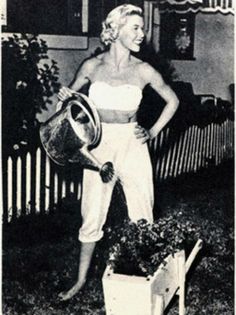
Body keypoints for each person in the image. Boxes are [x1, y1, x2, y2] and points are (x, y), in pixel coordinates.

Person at [57, 4, 179, 301]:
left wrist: (151, 132)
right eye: (135, 28)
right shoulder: (92, 66)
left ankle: (151, 281)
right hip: (98, 146)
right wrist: (66, 100)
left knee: (142, 210)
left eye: (142, 28)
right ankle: (80, 281)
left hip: (131, 144)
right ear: (116, 30)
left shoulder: (144, 69)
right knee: (92, 213)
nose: (142, 33)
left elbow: (172, 101)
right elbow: (69, 108)